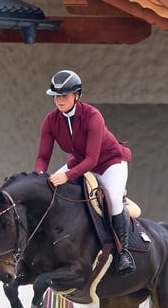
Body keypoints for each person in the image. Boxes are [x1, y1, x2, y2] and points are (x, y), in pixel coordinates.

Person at [34, 69, 136, 276]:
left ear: (77, 95)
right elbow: (43, 156)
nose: (59, 100)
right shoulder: (50, 120)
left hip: (109, 163)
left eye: (64, 96)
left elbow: (92, 159)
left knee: (113, 199)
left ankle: (123, 253)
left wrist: (66, 176)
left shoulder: (92, 116)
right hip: (79, 162)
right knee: (49, 191)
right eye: (56, 96)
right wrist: (40, 176)